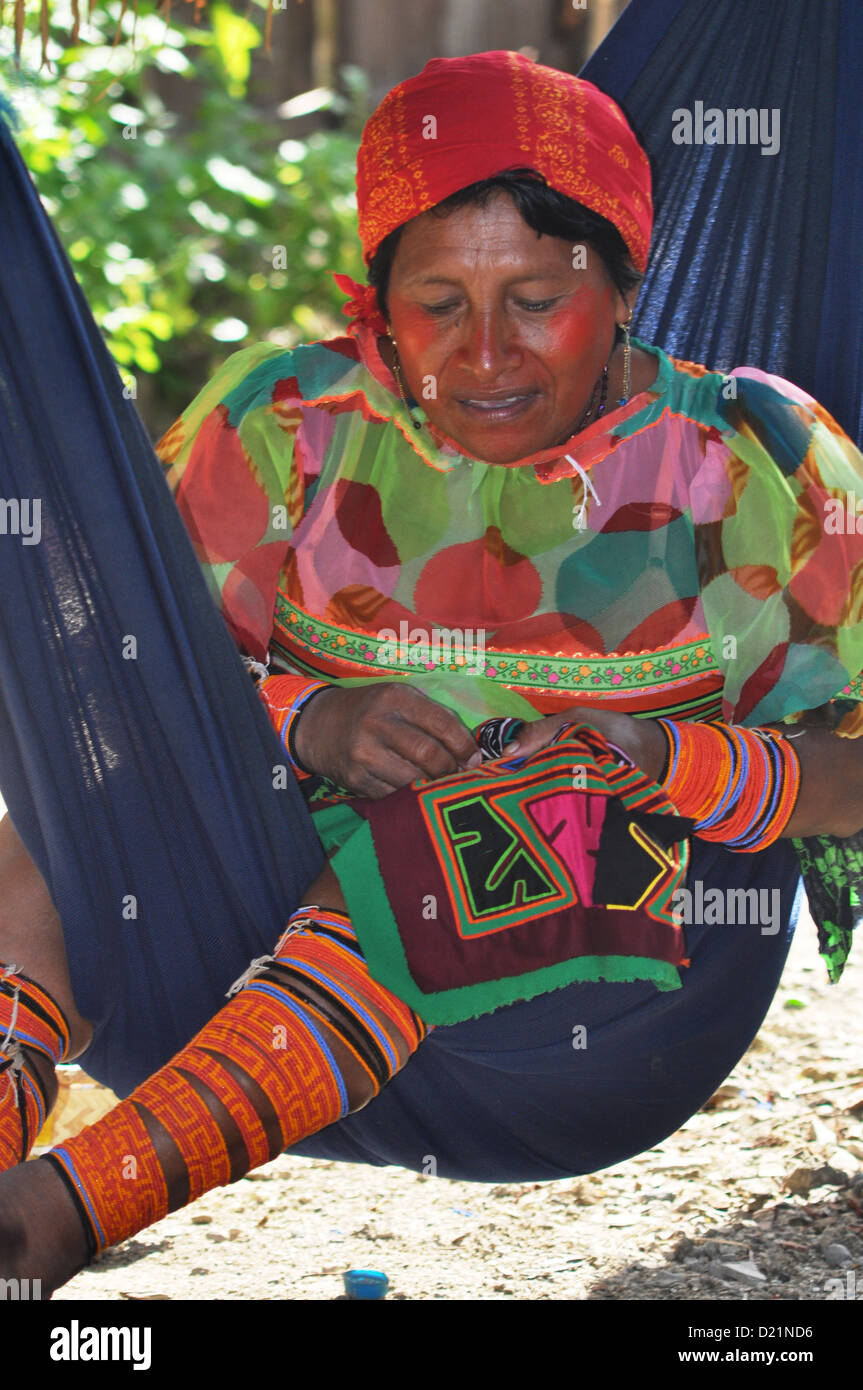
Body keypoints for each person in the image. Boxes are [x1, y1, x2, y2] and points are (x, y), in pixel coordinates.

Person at [2, 50, 863, 1295]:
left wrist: (680, 761)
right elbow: (123, 705)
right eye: (438, 301)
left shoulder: (750, 459)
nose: (484, 356)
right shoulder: (291, 427)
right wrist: (308, 721)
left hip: (623, 1000)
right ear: (379, 299)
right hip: (268, 937)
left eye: (535, 298)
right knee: (59, 823)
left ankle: (62, 1210)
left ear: (623, 284)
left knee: (524, 802)